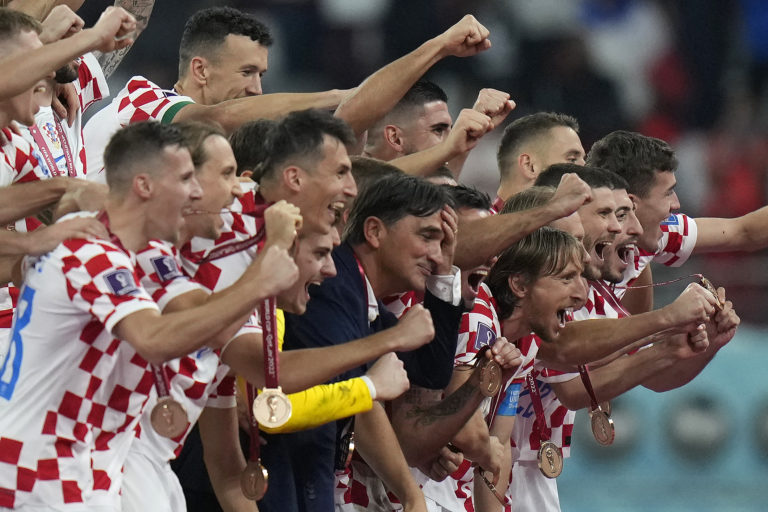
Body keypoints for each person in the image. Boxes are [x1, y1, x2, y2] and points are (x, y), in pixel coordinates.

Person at [0, 121, 298, 510]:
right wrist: (259, 279)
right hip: (39, 474)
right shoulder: (94, 254)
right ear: (144, 186)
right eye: (186, 178)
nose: (195, 193)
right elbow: (156, 340)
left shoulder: (99, 245)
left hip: (72, 467)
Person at [362, 79, 514, 178]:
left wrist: (469, 136)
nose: (450, 139)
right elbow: (379, 181)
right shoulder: (351, 183)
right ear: (395, 138)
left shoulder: (422, 195)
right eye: (438, 130)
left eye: (451, 130)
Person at [494, 112, 585, 209]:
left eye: (584, 160)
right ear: (529, 166)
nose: (585, 169)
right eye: (572, 160)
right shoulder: (482, 222)